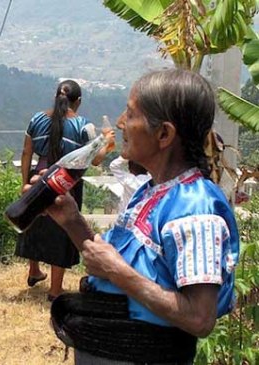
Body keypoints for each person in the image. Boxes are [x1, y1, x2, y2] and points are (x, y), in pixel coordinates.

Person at [30, 69, 239, 364]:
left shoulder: (195, 209)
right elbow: (110, 264)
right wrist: (71, 219)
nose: (120, 123)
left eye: (130, 114)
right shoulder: (150, 191)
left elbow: (199, 318)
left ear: (164, 134)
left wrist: (118, 271)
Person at [16, 79, 102, 301]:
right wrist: (108, 142)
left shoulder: (37, 119)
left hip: (38, 177)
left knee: (34, 222)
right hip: (65, 183)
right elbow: (95, 160)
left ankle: (33, 270)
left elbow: (27, 152)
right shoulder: (84, 125)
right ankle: (55, 289)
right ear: (79, 101)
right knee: (61, 231)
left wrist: (24, 183)